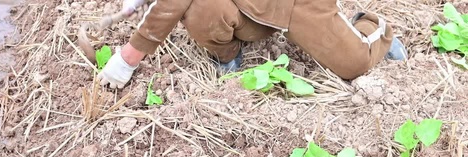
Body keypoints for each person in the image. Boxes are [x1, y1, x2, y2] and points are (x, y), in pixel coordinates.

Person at [98, 0, 408, 89]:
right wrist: (130, 57)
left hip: (297, 4)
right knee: (204, 11)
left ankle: (368, 29)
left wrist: (127, 58)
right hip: (244, 9)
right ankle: (228, 53)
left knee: (353, 65)